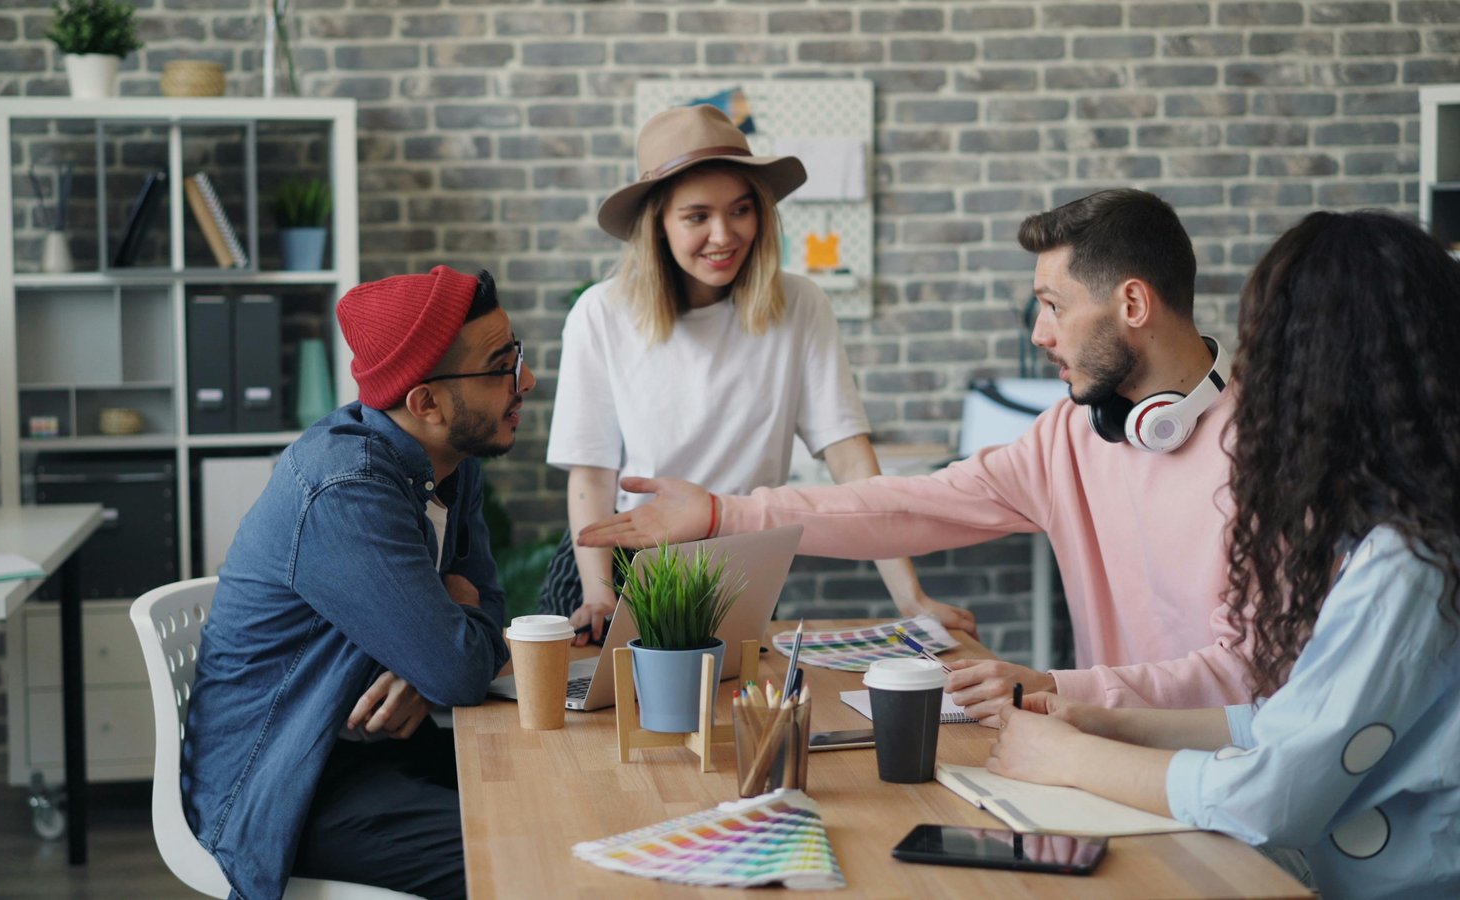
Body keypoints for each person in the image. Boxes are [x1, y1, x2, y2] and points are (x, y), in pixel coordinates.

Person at [579, 188, 1253, 721]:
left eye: (1053, 305)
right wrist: (724, 512)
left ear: (1133, 302)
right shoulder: (1072, 435)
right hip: (1106, 752)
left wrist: (1056, 688)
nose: (1042, 334)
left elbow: (1245, 679)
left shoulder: (1264, 456)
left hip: (1216, 779)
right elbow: (909, 505)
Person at [987, 210, 1460, 899]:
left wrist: (1072, 756)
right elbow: (1291, 720)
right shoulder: (1402, 531)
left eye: (1267, 351)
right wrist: (1110, 723)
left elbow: (1273, 797)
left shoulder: (1411, 564)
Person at [540, 103, 974, 646]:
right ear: (659, 224)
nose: (723, 235)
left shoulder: (801, 304)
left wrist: (910, 596)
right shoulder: (601, 312)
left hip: (742, 560)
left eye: (740, 210)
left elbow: (850, 459)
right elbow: (592, 474)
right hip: (616, 565)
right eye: (697, 216)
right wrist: (599, 593)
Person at [182, 266, 533, 900]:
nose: (525, 381)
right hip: (290, 784)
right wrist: (441, 639)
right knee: (523, 851)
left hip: (375, 750)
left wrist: (432, 657)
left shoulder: (450, 455)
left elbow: (482, 617)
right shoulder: (345, 489)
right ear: (425, 402)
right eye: (499, 368)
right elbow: (457, 666)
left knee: (561, 804)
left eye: (518, 357)